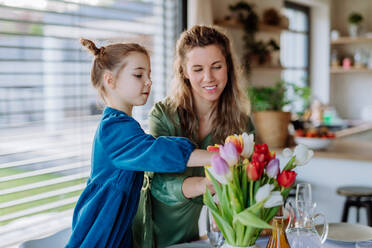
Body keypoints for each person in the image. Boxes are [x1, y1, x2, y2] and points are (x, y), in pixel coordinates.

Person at [65, 38, 214, 248]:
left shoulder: (124, 126)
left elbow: (149, 147)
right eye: (138, 75)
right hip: (99, 236)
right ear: (110, 80)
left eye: (149, 75)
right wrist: (217, 157)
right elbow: (156, 151)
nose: (148, 81)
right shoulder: (113, 129)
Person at [133, 25, 255, 247]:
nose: (209, 78)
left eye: (216, 66)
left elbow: (249, 180)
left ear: (228, 66)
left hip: (189, 237)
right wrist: (205, 185)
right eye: (197, 69)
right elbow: (160, 184)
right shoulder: (164, 115)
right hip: (146, 233)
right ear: (184, 72)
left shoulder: (241, 123)